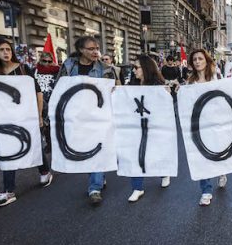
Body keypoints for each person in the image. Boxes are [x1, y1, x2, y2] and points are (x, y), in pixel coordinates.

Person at [0, 39, 52, 207]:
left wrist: (39, 116)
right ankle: (9, 191)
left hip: (27, 117)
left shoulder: (24, 69)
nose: (5, 52)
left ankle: (45, 171)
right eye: (1, 50)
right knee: (8, 150)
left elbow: (38, 93)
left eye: (8, 49)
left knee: (35, 145)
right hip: (6, 120)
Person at [56, 36, 118, 205]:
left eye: (97, 48)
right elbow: (60, 88)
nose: (95, 52)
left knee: (95, 147)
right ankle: (99, 175)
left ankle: (95, 187)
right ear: (81, 50)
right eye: (91, 49)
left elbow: (115, 89)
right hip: (77, 116)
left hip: (98, 116)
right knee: (84, 147)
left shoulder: (105, 68)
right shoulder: (68, 66)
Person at [185, 49, 228, 206]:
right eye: (194, 59)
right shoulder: (190, 82)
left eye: (200, 58)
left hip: (216, 122)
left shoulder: (216, 78)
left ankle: (222, 170)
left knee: (217, 152)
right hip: (198, 125)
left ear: (206, 60)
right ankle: (206, 191)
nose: (197, 61)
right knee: (202, 157)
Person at [127, 54, 172, 202]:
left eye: (136, 67)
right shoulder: (131, 85)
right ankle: (137, 187)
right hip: (135, 126)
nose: (133, 70)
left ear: (146, 68)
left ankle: (164, 172)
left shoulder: (158, 86)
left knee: (153, 153)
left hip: (154, 127)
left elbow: (168, 108)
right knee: (135, 155)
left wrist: (168, 94)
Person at [34, 52, 60, 167]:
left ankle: (53, 144)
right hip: (39, 102)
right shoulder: (34, 71)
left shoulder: (57, 71)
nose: (47, 64)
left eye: (49, 61)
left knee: (53, 125)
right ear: (40, 61)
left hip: (53, 100)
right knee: (43, 125)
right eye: (45, 61)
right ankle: (46, 145)